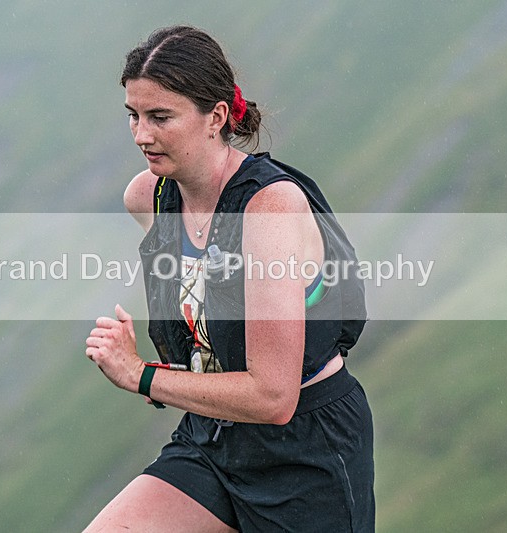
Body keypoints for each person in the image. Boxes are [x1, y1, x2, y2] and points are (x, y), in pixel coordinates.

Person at [84, 25, 374, 532]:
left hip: (306, 452)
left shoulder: (269, 209)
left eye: (160, 117)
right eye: (133, 115)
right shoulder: (150, 198)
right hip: (213, 440)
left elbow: (273, 397)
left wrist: (141, 375)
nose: (141, 135)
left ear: (216, 117)